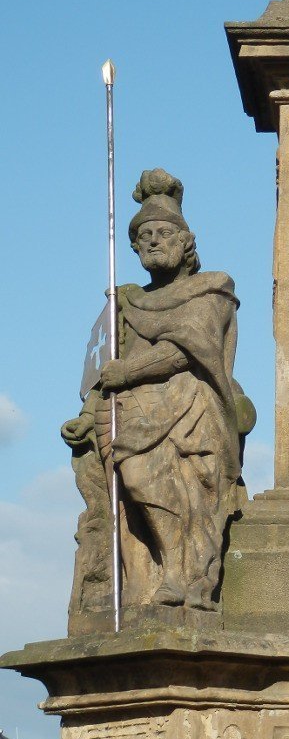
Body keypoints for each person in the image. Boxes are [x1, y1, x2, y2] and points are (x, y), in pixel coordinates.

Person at [62, 168, 255, 615]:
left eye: (163, 232)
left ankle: (192, 581)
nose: (152, 241)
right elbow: (106, 361)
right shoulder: (127, 301)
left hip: (195, 409)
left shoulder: (213, 290)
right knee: (141, 480)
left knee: (196, 493)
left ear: (186, 242)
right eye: (143, 235)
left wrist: (126, 374)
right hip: (137, 415)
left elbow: (184, 351)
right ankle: (164, 570)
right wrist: (89, 414)